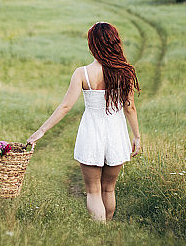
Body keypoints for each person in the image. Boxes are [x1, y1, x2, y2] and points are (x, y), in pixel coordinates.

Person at [26, 21, 142, 221]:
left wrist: (42, 130)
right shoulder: (125, 72)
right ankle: (108, 228)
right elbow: (129, 106)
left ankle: (100, 231)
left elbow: (65, 107)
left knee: (93, 192)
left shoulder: (82, 73)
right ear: (115, 42)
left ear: (93, 45)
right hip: (116, 134)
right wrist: (137, 137)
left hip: (92, 134)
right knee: (108, 189)